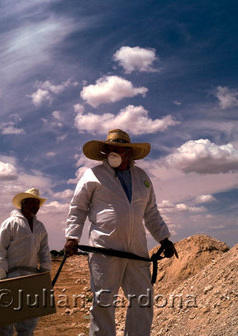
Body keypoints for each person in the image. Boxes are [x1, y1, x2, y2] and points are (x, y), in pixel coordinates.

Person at [64, 129, 178, 336]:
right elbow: (78, 208)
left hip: (136, 251)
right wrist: (72, 236)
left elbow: (151, 212)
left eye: (119, 148)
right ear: (105, 151)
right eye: (110, 148)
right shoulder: (93, 175)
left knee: (142, 301)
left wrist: (165, 239)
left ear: (129, 152)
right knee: (104, 302)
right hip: (104, 250)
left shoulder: (142, 178)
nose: (113, 152)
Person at [0, 188, 52, 336]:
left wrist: (44, 271)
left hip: (31, 277)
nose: (36, 207)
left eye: (38, 204)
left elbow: (44, 250)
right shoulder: (10, 223)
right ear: (24, 203)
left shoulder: (40, 227)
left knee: (28, 319)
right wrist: (2, 276)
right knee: (5, 318)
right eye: (33, 203)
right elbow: (0, 250)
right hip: (12, 275)